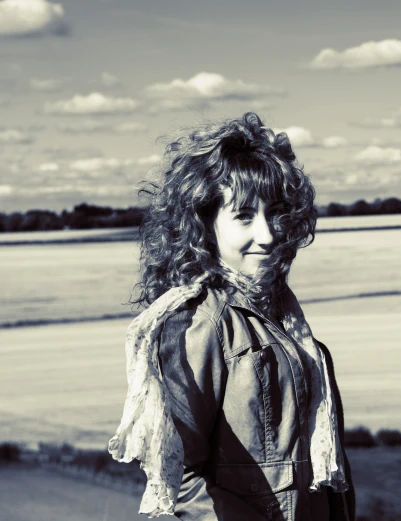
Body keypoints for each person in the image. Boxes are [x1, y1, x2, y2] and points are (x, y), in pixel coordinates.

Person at [107, 112, 355, 521]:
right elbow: (182, 479)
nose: (268, 233)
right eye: (243, 215)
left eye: (275, 212)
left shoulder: (280, 312)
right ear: (204, 224)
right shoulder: (199, 321)